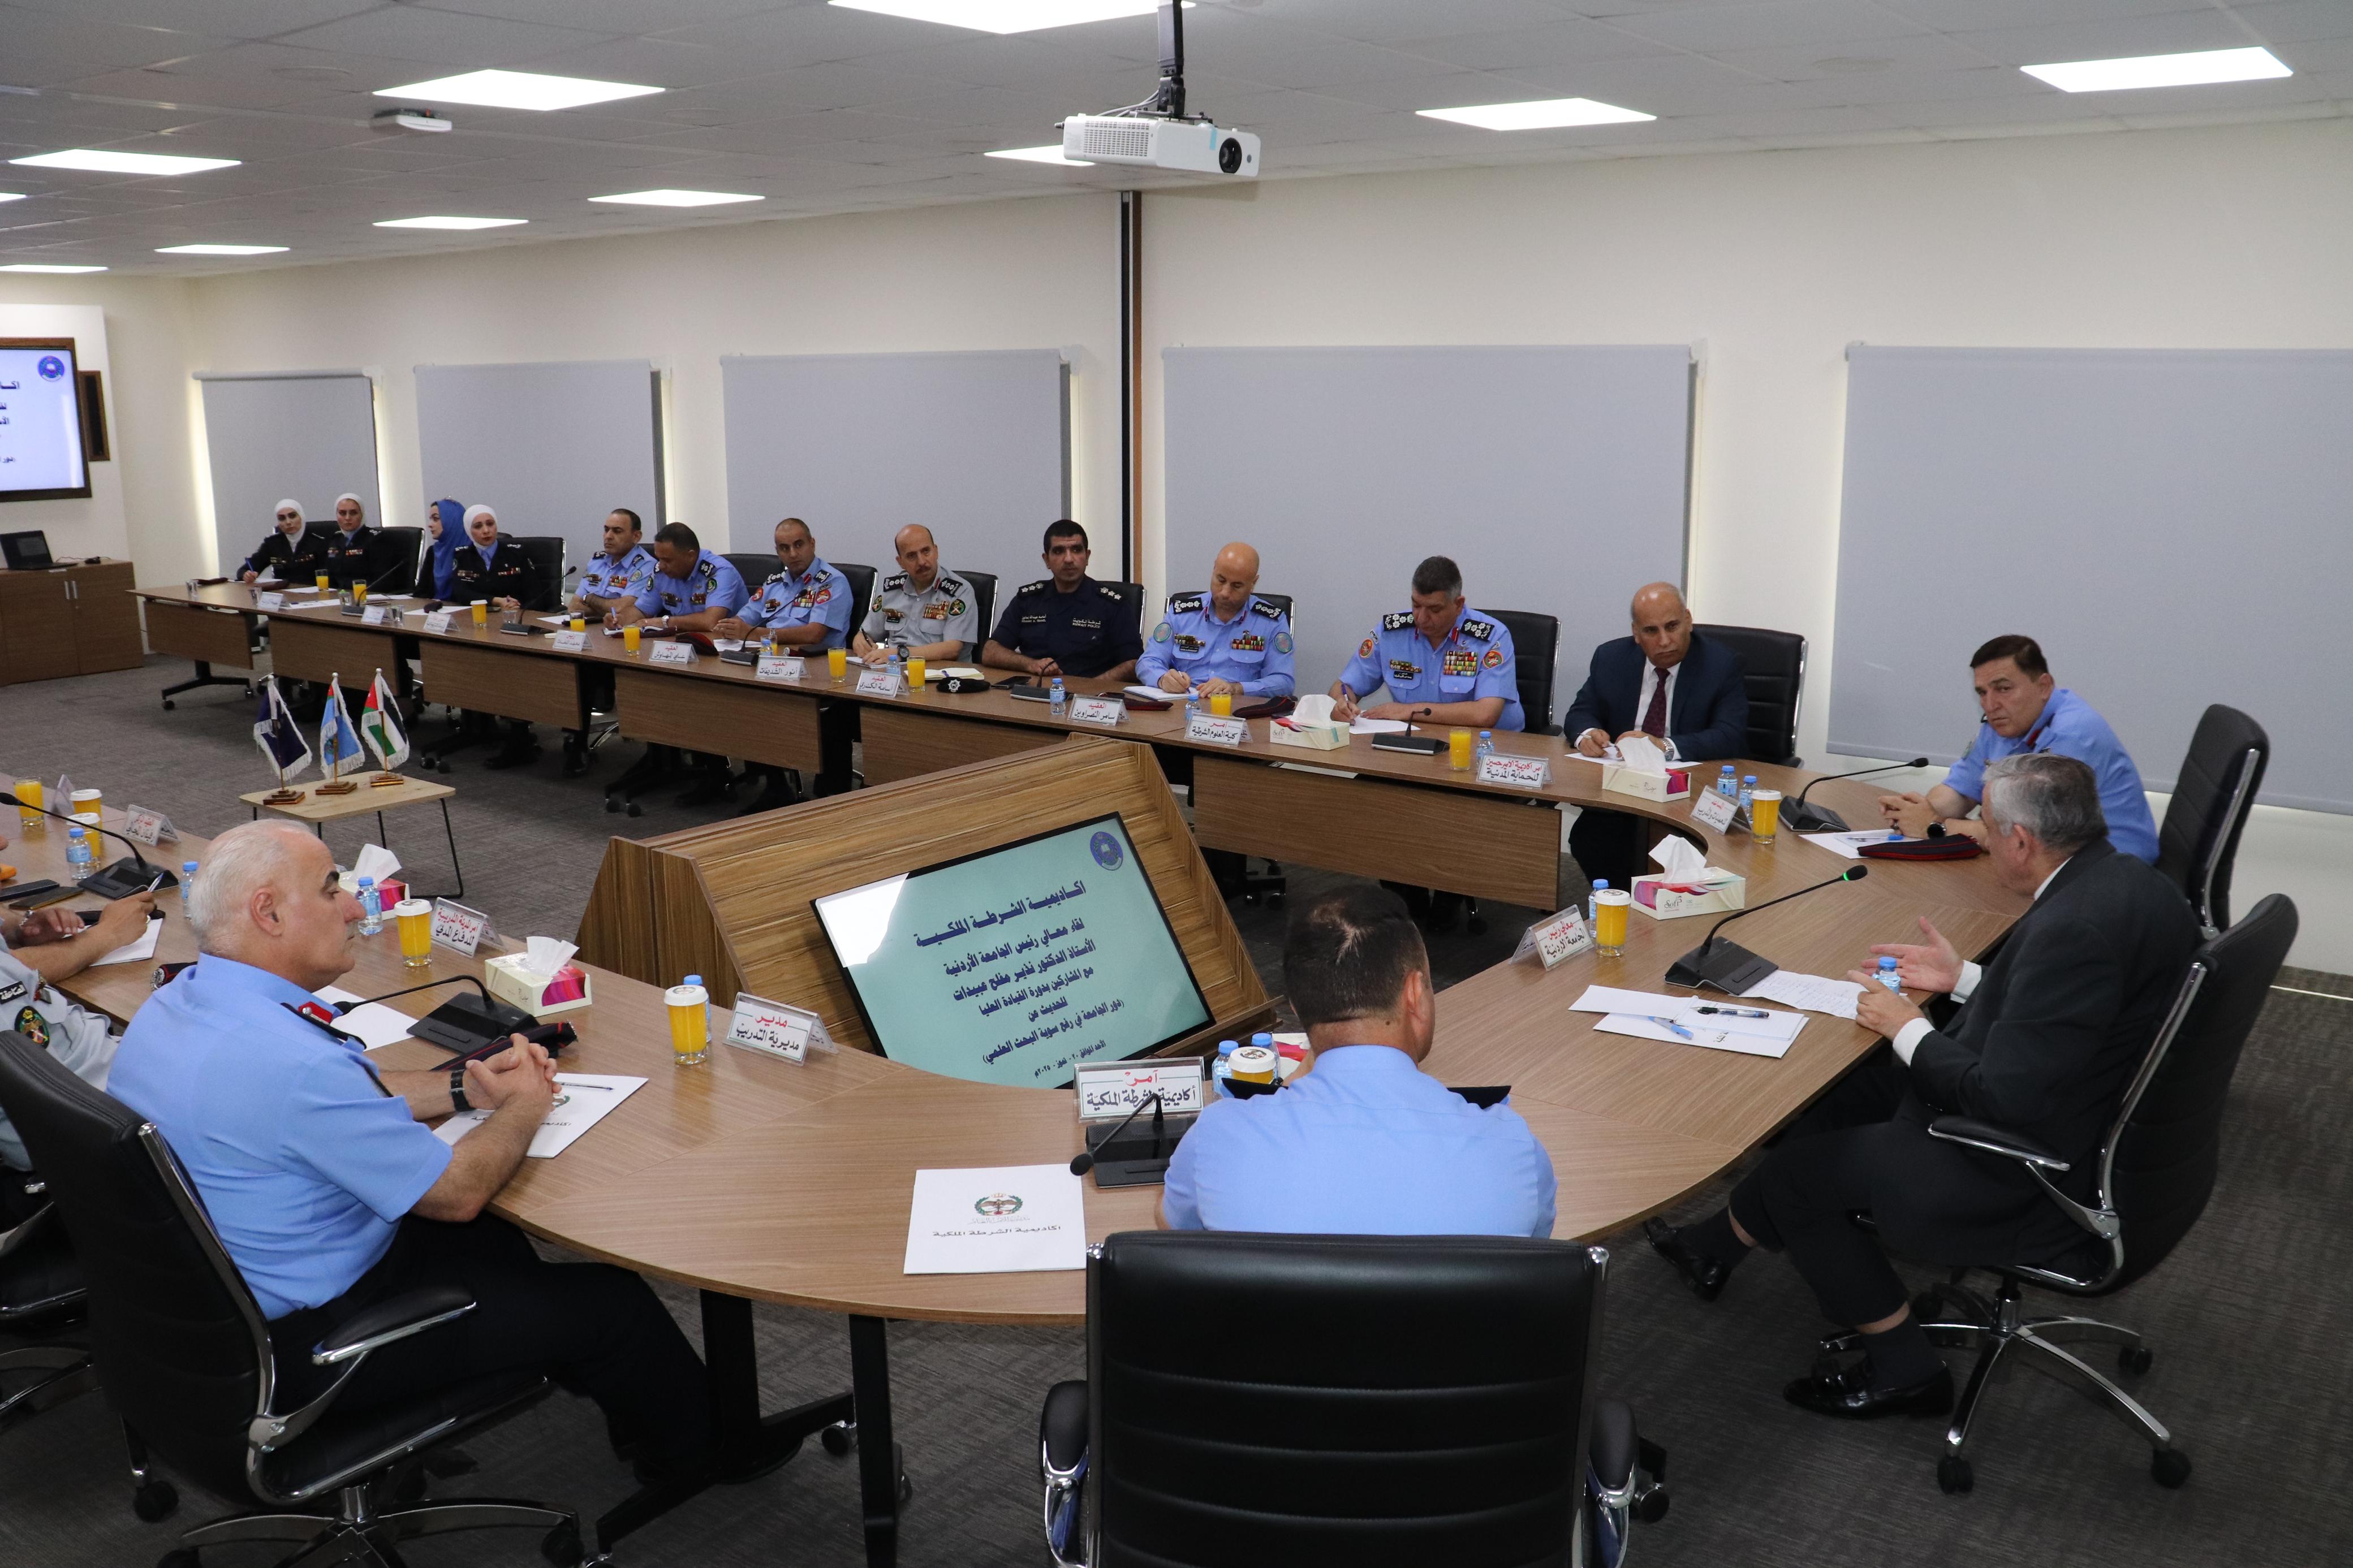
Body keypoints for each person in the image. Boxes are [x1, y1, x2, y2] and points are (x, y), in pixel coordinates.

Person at [108, 822, 716, 1479]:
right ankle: (705, 1457)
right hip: (313, 1342)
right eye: (331, 889)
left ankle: (591, 1374)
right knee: (612, 1303)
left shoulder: (176, 1003)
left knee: (500, 1247)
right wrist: (524, 1104)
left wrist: (462, 1088)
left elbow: (332, 1098)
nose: (353, 907)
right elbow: (456, 1193)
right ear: (269, 913)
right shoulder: (291, 1064)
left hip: (203, 1315)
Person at [1644, 753, 2197, 1420]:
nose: (1980, 835)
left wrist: (1905, 1026)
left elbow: (2002, 1096)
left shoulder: (2071, 927)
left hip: (2023, 1161)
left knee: (1797, 1175)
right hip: (2084, 1108)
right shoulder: (2131, 884)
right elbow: (2074, 1013)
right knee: (1831, 1104)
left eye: (1987, 826)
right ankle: (1712, 1248)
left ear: (2022, 841)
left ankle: (1905, 1368)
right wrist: (1960, 978)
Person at [1161, 884, 1555, 1237]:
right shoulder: (1512, 1149)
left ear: (1297, 1007)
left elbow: (1172, 1232)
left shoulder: (1218, 1138)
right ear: (1415, 994)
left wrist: (1292, 1082)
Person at [1878, 634, 2159, 862]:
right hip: (2054, 863)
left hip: (2114, 869)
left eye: (2003, 689)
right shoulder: (2002, 723)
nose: (1990, 704)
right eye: (1982, 693)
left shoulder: (2072, 735)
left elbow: (2024, 838)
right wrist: (1916, 811)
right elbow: (1961, 790)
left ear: (2044, 686)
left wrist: (1934, 826)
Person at [1561, 582, 1749, 888]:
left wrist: (1664, 746)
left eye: (1672, 626)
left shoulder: (1721, 664)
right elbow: (1581, 712)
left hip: (1687, 796)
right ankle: (1623, 904)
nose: (1664, 641)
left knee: (1678, 848)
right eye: (1651, 631)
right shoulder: (1610, 658)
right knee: (1588, 838)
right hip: (1624, 791)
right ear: (1636, 633)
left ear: (1688, 620)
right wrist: (1586, 734)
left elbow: (1731, 735)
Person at [0, 893, 155, 1217]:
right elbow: (59, 1106)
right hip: (109, 1128)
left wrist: (20, 929)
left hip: (99, 1076)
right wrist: (105, 936)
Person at [716, 517, 855, 810]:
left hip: (818, 672)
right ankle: (774, 784)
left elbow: (815, 634)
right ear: (777, 552)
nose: (793, 553)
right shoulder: (774, 583)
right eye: (784, 548)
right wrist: (730, 627)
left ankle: (792, 788)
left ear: (812, 544)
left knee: (764, 698)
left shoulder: (832, 582)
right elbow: (745, 618)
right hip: (772, 666)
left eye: (799, 545)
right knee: (730, 693)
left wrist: (757, 633)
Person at [609, 524, 749, 807]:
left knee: (695, 697)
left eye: (668, 560)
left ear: (691, 555)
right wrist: (620, 618)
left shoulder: (719, 572)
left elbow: (710, 621)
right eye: (659, 558)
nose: (660, 565)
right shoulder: (662, 570)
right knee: (646, 681)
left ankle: (715, 774)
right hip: (681, 652)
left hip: (724, 658)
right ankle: (662, 761)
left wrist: (662, 621)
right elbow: (642, 609)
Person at [1331, 555, 1521, 731]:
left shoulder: (1491, 637)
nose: (1421, 618)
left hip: (1485, 744)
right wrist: (1342, 702)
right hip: (1413, 741)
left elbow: (1485, 714)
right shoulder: (1391, 633)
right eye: (1416, 605)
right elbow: (1345, 685)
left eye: (1434, 610)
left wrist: (1410, 710)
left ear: (1458, 605)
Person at [981, 520, 1141, 682]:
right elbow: (990, 651)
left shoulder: (1112, 605)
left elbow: (1134, 663)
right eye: (1059, 551)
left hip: (1090, 694)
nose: (1069, 559)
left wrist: (1091, 687)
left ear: (1087, 557)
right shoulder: (1028, 600)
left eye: (1076, 550)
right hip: (1035, 691)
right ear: (1047, 560)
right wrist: (1030, 664)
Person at [448, 504, 545, 769]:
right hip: (479, 625)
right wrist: (496, 600)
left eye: (490, 524)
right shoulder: (462, 556)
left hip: (515, 625)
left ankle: (519, 737)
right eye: (478, 526)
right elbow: (460, 592)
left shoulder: (515, 554)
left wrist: (517, 607)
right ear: (469, 531)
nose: (486, 531)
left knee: (510, 669)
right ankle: (480, 724)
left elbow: (537, 593)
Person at [1135, 542, 1295, 700]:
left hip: (1238, 709)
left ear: (1253, 583)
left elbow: (1284, 682)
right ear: (1214, 570)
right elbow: (1147, 661)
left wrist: (1237, 688)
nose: (1225, 592)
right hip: (1185, 705)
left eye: (1236, 586)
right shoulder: (1182, 613)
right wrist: (1163, 679)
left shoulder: (1271, 620)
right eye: (1221, 580)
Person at [854, 524, 977, 663]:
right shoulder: (892, 589)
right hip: (894, 670)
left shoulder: (960, 591)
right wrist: (861, 642)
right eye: (912, 556)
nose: (922, 562)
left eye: (926, 551)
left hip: (940, 672)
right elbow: (866, 634)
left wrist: (901, 654)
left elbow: (952, 649)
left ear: (936, 551)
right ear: (901, 562)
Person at [571, 508, 656, 620]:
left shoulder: (646, 566)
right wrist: (606, 611)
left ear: (636, 537)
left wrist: (589, 599)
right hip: (592, 627)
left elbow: (624, 610)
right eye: (606, 530)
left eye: (617, 531)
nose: (608, 536)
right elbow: (574, 607)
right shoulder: (597, 561)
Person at [239, 499, 319, 584]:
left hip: (313, 591)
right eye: (282, 519)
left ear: (301, 517)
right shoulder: (273, 543)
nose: (288, 522)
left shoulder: (318, 542)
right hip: (282, 590)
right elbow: (244, 570)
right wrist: (247, 575)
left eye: (292, 516)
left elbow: (326, 574)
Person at [317, 493, 381, 590]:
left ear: (362, 514)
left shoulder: (375, 539)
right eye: (342, 513)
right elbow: (328, 575)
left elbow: (380, 580)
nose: (347, 518)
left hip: (365, 594)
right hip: (336, 595)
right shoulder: (334, 540)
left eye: (353, 513)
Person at [422, 498, 464, 602]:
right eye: (431, 519)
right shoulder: (433, 552)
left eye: (436, 519)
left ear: (452, 520)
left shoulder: (470, 552)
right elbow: (422, 592)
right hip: (434, 609)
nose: (430, 524)